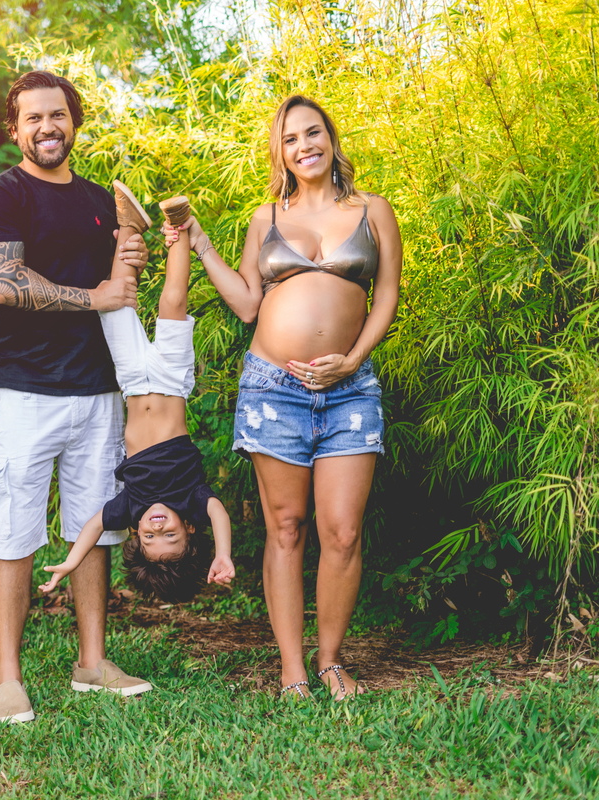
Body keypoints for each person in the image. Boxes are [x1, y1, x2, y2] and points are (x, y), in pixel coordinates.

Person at [164, 95, 402, 700]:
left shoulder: (373, 210)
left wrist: (353, 359)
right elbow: (248, 304)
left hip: (350, 388)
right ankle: (291, 667)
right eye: (291, 139)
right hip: (275, 388)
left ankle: (330, 661)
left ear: (331, 138)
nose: (304, 146)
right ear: (282, 153)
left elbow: (386, 298)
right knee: (287, 528)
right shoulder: (265, 218)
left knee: (342, 531)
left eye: (313, 133)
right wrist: (199, 241)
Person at [0, 70, 156, 724]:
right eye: (34, 118)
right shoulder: (1, 195)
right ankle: (9, 678)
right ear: (14, 130)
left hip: (97, 388)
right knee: (14, 531)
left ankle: (92, 662)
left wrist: (131, 259)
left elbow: (118, 283)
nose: (47, 128)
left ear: (74, 122)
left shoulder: (98, 200)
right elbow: (4, 283)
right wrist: (95, 296)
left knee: (93, 527)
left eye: (58, 115)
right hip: (25, 391)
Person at [39, 195, 236, 603]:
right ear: (189, 528)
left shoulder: (130, 507)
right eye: (170, 536)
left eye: (150, 537)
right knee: (172, 303)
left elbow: (94, 525)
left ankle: (129, 224)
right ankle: (178, 226)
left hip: (131, 382)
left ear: (136, 533)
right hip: (170, 380)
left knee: (114, 308)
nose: (157, 527)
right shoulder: (192, 500)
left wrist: (70, 563)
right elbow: (218, 512)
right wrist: (223, 554)